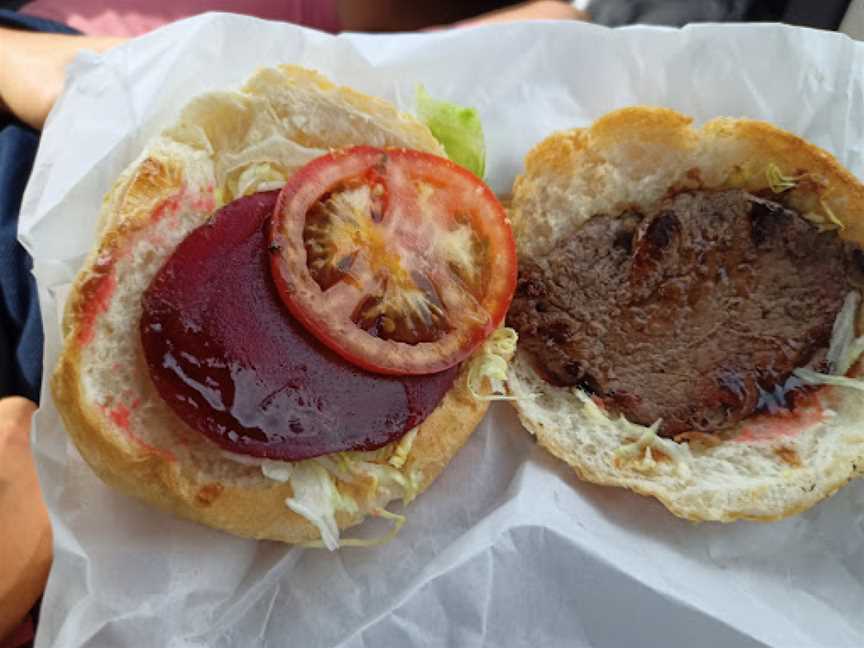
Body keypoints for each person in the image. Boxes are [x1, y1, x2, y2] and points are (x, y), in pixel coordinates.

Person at [0, 3, 586, 646]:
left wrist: (65, 69)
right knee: (547, 22)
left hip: (55, 97)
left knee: (544, 22)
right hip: (48, 337)